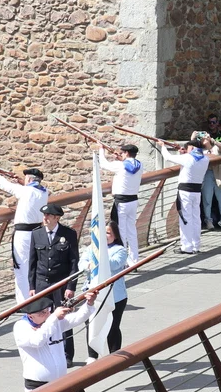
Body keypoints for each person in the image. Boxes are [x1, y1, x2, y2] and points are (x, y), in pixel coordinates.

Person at [28, 203, 80, 360]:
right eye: (44, 215)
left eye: (48, 215)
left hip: (60, 284)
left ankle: (67, 354)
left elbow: (73, 263)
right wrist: (32, 286)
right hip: (42, 283)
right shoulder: (37, 234)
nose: (44, 218)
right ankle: (46, 350)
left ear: (56, 218)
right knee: (41, 317)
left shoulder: (68, 234)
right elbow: (32, 262)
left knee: (63, 316)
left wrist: (71, 286)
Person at [0, 167, 50, 301]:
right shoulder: (44, 192)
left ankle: (24, 302)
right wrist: (20, 181)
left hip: (23, 235)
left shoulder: (26, 191)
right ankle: (36, 298)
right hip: (37, 232)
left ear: (29, 179)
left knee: (21, 268)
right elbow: (31, 189)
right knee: (34, 266)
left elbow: (5, 185)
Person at [89, 221, 129, 358]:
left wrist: (100, 254)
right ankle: (92, 357)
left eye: (108, 233)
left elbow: (114, 264)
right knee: (93, 327)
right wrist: (88, 264)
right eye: (103, 232)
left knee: (112, 327)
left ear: (115, 235)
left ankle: (115, 356)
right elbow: (82, 263)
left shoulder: (120, 250)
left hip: (115, 296)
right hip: (95, 294)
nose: (104, 235)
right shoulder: (92, 248)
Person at [162, 140, 210, 254]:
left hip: (185, 191)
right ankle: (196, 245)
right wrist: (184, 152)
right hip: (196, 191)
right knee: (196, 219)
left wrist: (163, 146)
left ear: (192, 148)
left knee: (185, 218)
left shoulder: (187, 158)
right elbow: (192, 159)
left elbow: (167, 157)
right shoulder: (205, 159)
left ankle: (187, 247)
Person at [99, 143, 144, 264]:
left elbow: (103, 164)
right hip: (133, 200)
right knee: (131, 231)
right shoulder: (139, 165)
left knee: (120, 232)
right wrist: (120, 159)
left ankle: (123, 261)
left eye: (122, 153)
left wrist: (101, 149)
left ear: (126, 153)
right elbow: (129, 166)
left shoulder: (120, 165)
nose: (121, 154)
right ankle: (134, 260)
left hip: (121, 202)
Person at [196, 130, 221, 231]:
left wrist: (212, 140)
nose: (204, 138)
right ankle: (208, 220)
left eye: (206, 136)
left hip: (218, 173)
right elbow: (191, 149)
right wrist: (194, 137)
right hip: (207, 174)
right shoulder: (200, 149)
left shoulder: (215, 147)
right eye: (202, 137)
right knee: (207, 199)